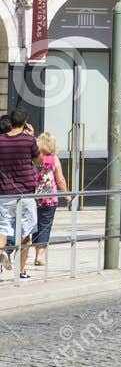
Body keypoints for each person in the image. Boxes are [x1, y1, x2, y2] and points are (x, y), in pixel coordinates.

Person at [0, 111, 38, 278]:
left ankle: (2, 256)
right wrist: (31, 135)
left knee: (2, 230)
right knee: (26, 232)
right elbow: (39, 161)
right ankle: (20, 271)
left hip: (5, 193)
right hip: (26, 194)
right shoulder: (29, 140)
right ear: (25, 122)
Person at [29, 132, 66, 273]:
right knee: (45, 225)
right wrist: (67, 194)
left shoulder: (33, 159)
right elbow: (60, 179)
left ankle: (26, 253)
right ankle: (40, 255)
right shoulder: (54, 159)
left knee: (33, 225)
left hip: (34, 197)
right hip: (50, 199)